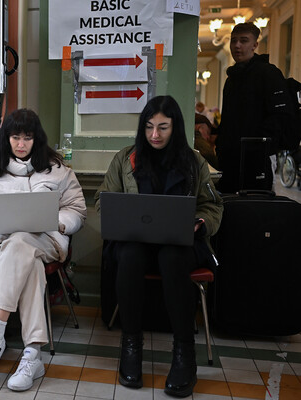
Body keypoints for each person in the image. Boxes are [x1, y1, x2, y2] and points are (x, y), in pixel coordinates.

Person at [94, 96, 223, 398]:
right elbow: (103, 199)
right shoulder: (126, 158)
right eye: (149, 127)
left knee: (172, 257)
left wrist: (200, 222)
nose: (154, 134)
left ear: (175, 127)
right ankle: (131, 346)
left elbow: (213, 206)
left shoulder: (193, 162)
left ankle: (184, 353)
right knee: (130, 255)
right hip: (135, 243)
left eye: (163, 127)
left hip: (179, 245)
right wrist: (118, 215)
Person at [0, 109, 86, 391]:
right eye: (15, 137)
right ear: (6, 138)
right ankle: (33, 354)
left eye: (28, 138)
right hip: (3, 243)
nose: (21, 144)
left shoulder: (58, 170)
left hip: (47, 240)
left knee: (22, 242)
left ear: (37, 139)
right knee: (22, 248)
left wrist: (57, 222)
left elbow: (77, 210)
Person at [215, 22, 296, 193]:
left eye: (244, 40)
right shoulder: (232, 79)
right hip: (231, 158)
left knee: (256, 203)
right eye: (234, 40)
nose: (237, 45)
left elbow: (279, 116)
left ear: (255, 45)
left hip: (258, 158)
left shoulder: (268, 73)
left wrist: (259, 146)